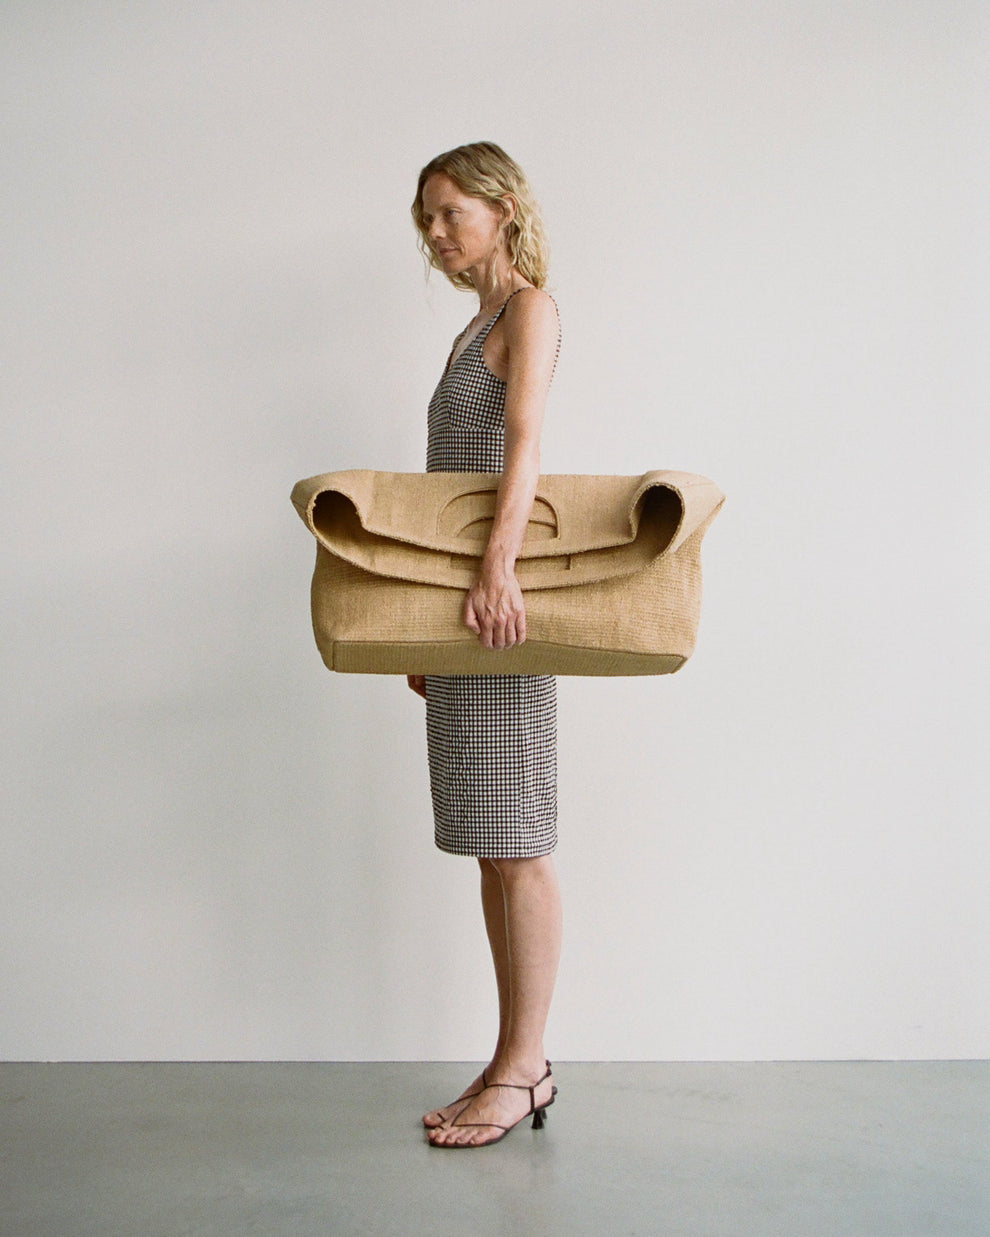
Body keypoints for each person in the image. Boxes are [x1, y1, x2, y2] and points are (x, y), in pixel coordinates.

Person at [407, 142, 562, 1148]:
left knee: (521, 845)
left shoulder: (529, 311)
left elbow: (525, 444)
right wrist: (425, 621)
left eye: (449, 211)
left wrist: (499, 568)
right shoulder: (472, 327)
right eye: (424, 218)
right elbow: (441, 486)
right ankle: (509, 1058)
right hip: (463, 611)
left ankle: (528, 1067)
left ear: (503, 208)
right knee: (487, 846)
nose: (434, 233)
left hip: (498, 603)